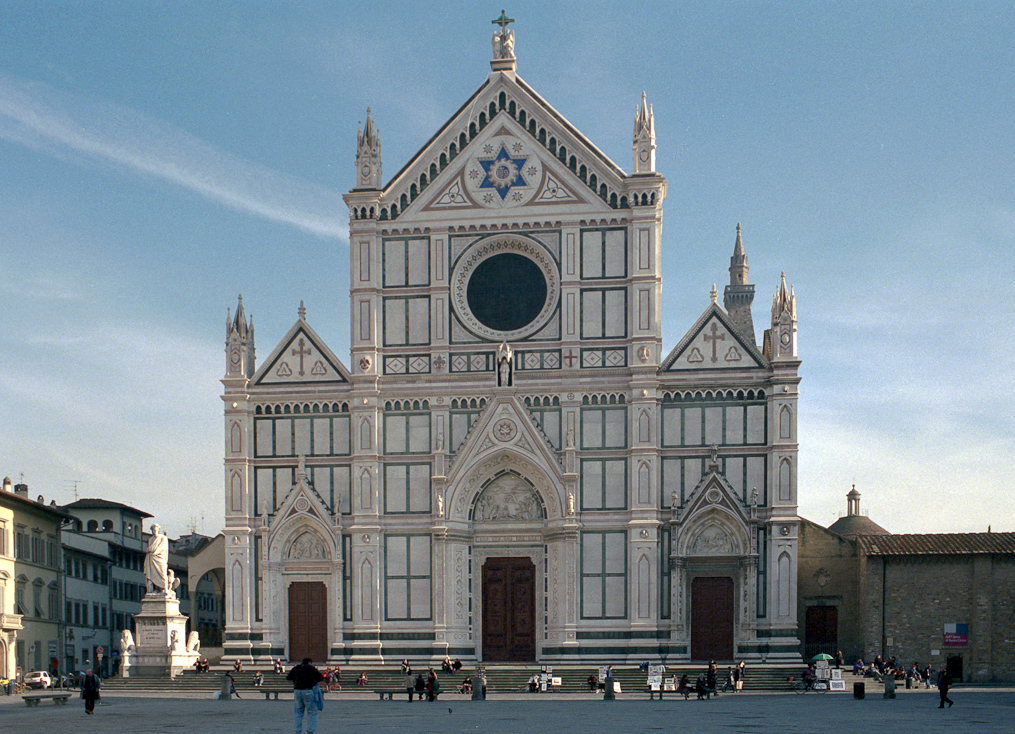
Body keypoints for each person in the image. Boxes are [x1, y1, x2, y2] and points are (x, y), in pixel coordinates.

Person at [287, 658, 324, 734]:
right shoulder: (311, 668)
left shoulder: (296, 668)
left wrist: (296, 680)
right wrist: (313, 681)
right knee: (312, 712)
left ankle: (297, 731)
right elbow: (320, 677)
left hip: (297, 691)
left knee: (298, 713)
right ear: (309, 662)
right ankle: (310, 730)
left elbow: (288, 677)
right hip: (308, 690)